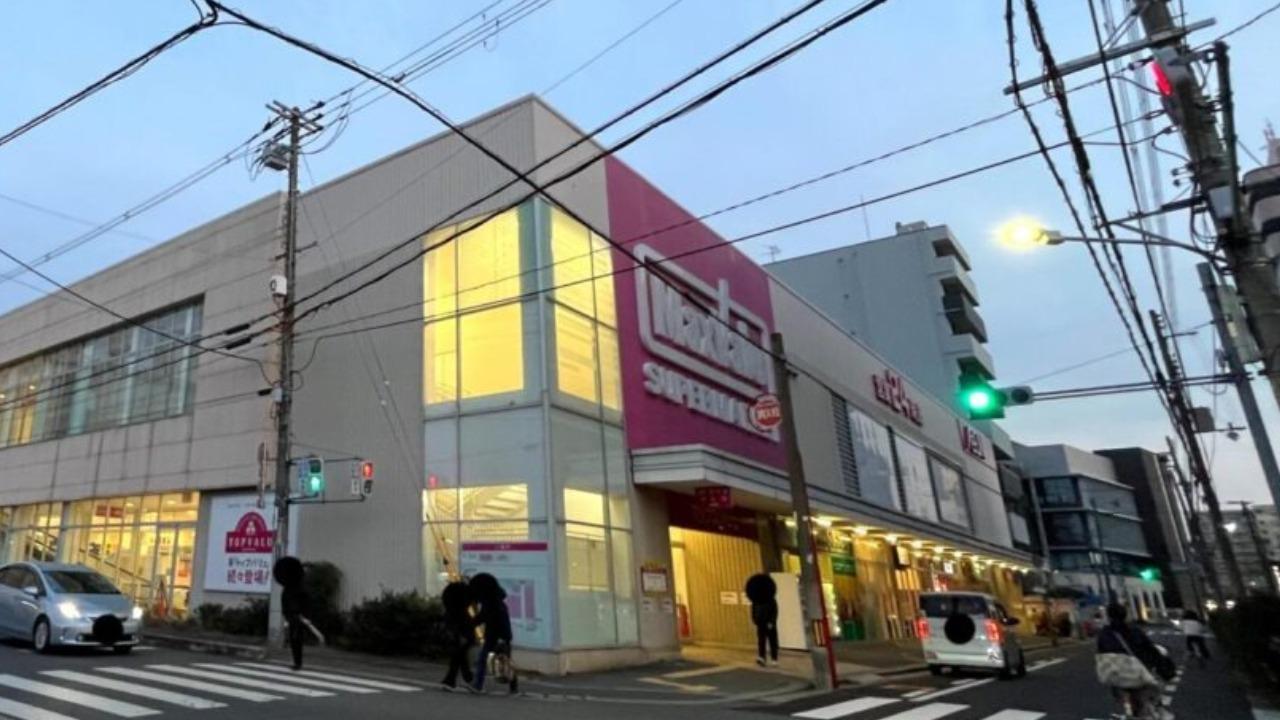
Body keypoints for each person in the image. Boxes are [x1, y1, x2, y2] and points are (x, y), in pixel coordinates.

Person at [1096, 602, 1173, 719]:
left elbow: (1101, 655)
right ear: (1125, 615)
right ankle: (1157, 708)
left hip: (1117, 675)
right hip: (1139, 673)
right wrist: (1161, 665)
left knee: (1124, 696)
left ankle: (1128, 710)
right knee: (1152, 694)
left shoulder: (1104, 634)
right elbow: (1150, 649)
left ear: (1108, 616)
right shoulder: (1134, 631)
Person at [469, 573, 515, 694]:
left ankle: (478, 685)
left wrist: (470, 623)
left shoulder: (491, 604)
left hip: (495, 636)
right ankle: (513, 689)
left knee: (485, 660)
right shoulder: (497, 602)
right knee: (506, 661)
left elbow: (482, 617)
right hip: (501, 636)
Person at [273, 556, 309, 671]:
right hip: (293, 616)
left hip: (297, 616)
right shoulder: (294, 588)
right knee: (295, 639)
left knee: (296, 638)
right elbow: (286, 602)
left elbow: (303, 602)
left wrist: (303, 615)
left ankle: (298, 662)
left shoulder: (296, 588)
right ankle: (297, 662)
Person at [440, 580, 475, 690]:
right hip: (463, 633)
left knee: (459, 656)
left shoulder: (450, 610)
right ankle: (464, 679)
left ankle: (457, 679)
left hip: (457, 634)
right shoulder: (462, 611)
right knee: (459, 656)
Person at [745, 573, 779, 667]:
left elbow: (774, 612)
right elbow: (753, 611)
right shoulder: (755, 601)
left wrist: (772, 621)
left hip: (769, 623)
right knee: (761, 640)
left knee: (772, 641)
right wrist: (755, 620)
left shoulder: (771, 600)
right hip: (760, 623)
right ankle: (762, 657)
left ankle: (774, 659)